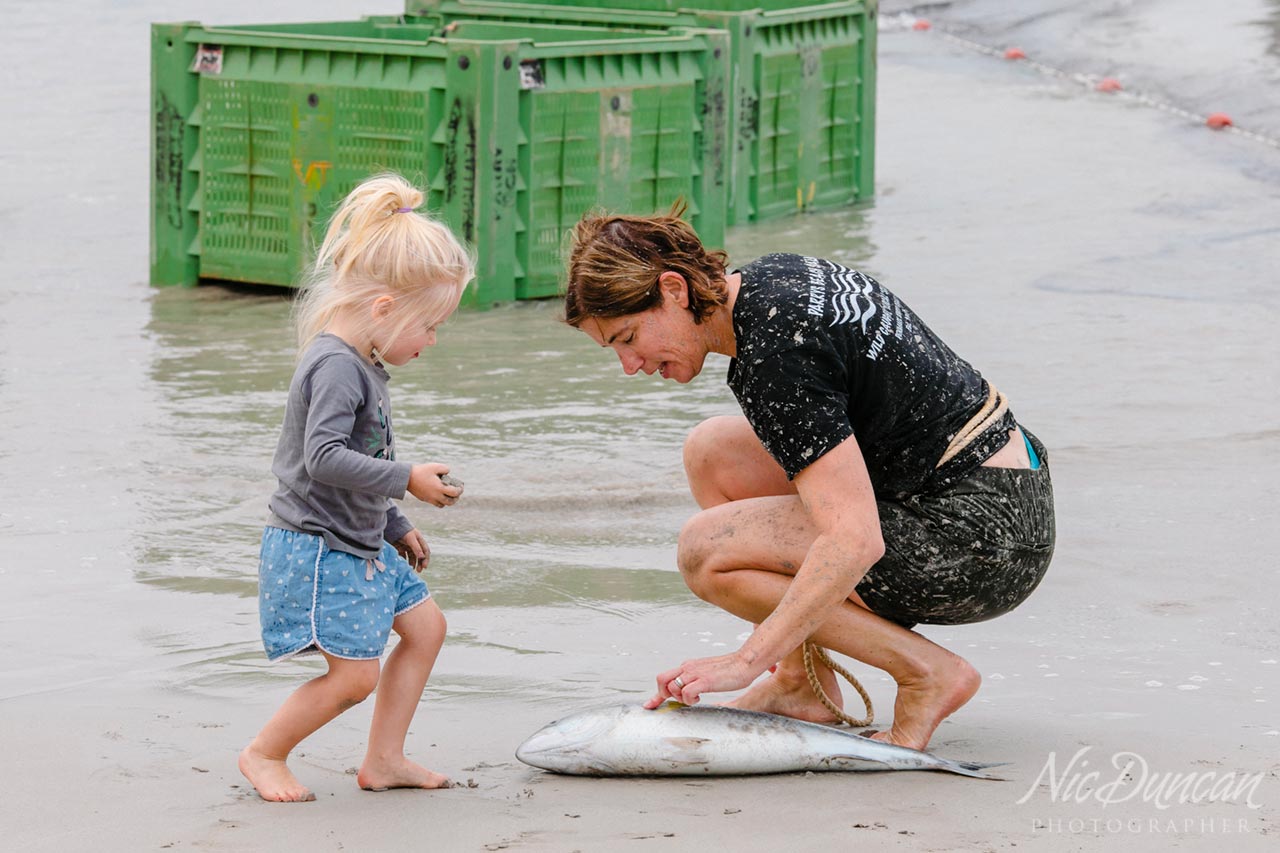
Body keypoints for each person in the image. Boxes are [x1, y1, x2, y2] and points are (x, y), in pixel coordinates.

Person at [562, 205, 1055, 751]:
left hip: (980, 547)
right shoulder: (771, 283)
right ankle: (800, 685)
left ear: (674, 290)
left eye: (628, 337)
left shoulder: (775, 354)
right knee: (714, 452)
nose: (630, 365)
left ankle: (926, 673)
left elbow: (855, 539)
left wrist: (745, 661)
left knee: (707, 553)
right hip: (1006, 503)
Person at [238, 174, 474, 802]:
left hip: (360, 539)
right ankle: (264, 753)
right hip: (318, 548)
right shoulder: (338, 366)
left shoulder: (360, 362)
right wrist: (408, 482)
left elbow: (358, 458)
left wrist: (395, 524)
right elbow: (322, 460)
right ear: (384, 309)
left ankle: (385, 758)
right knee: (353, 678)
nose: (431, 342)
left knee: (427, 629)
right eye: (431, 326)